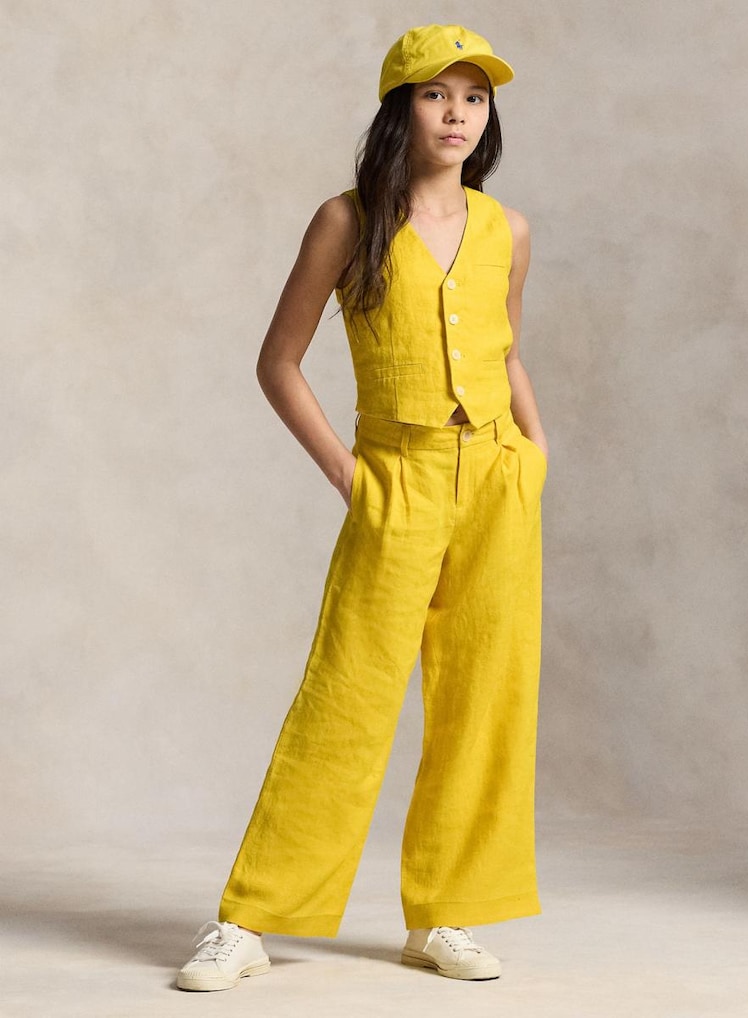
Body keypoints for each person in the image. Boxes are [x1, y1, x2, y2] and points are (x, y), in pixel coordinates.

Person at [177, 23, 548, 991]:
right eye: (436, 94)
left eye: (474, 97)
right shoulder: (348, 220)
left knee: (484, 698)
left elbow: (506, 351)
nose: (458, 113)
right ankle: (249, 919)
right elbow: (278, 361)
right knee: (347, 696)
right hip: (398, 476)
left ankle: (444, 914)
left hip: (499, 481)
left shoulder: (507, 230)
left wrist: (536, 450)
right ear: (399, 109)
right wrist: (349, 475)